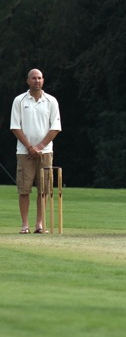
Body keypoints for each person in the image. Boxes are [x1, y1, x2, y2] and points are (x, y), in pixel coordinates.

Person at [10, 68, 62, 234]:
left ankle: (39, 225)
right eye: (33, 78)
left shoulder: (51, 101)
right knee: (24, 189)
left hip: (45, 152)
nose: (36, 81)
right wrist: (30, 147)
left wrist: (39, 147)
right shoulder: (19, 100)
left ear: (43, 80)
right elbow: (15, 127)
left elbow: (55, 128)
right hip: (24, 152)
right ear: (28, 81)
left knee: (44, 189)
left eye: (39, 78)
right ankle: (25, 225)